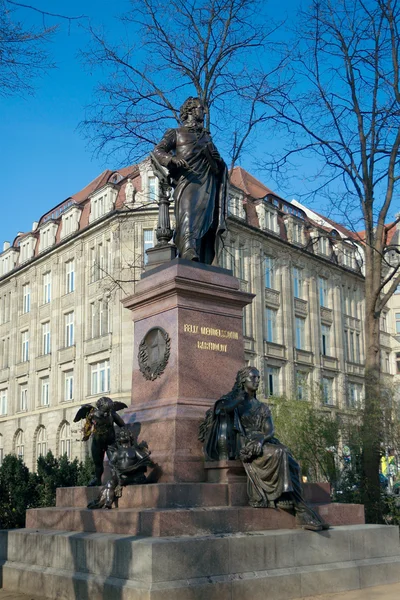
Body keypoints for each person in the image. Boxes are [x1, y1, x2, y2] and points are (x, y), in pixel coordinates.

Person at [199, 366, 329, 531]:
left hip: (263, 441)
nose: (257, 381)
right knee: (280, 452)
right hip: (245, 443)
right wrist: (237, 401)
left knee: (290, 459)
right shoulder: (233, 400)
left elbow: (269, 430)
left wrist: (261, 439)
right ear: (243, 380)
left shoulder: (262, 407)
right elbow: (220, 410)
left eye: (258, 378)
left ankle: (298, 507)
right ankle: (301, 510)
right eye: (253, 377)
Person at [153, 97, 228, 264]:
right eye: (201, 108)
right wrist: (171, 160)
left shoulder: (207, 138)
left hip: (207, 184)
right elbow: (158, 151)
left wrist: (219, 162)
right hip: (187, 180)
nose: (204, 112)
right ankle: (188, 250)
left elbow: (218, 168)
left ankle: (198, 255)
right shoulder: (176, 133)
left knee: (205, 221)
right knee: (188, 215)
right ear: (190, 111)